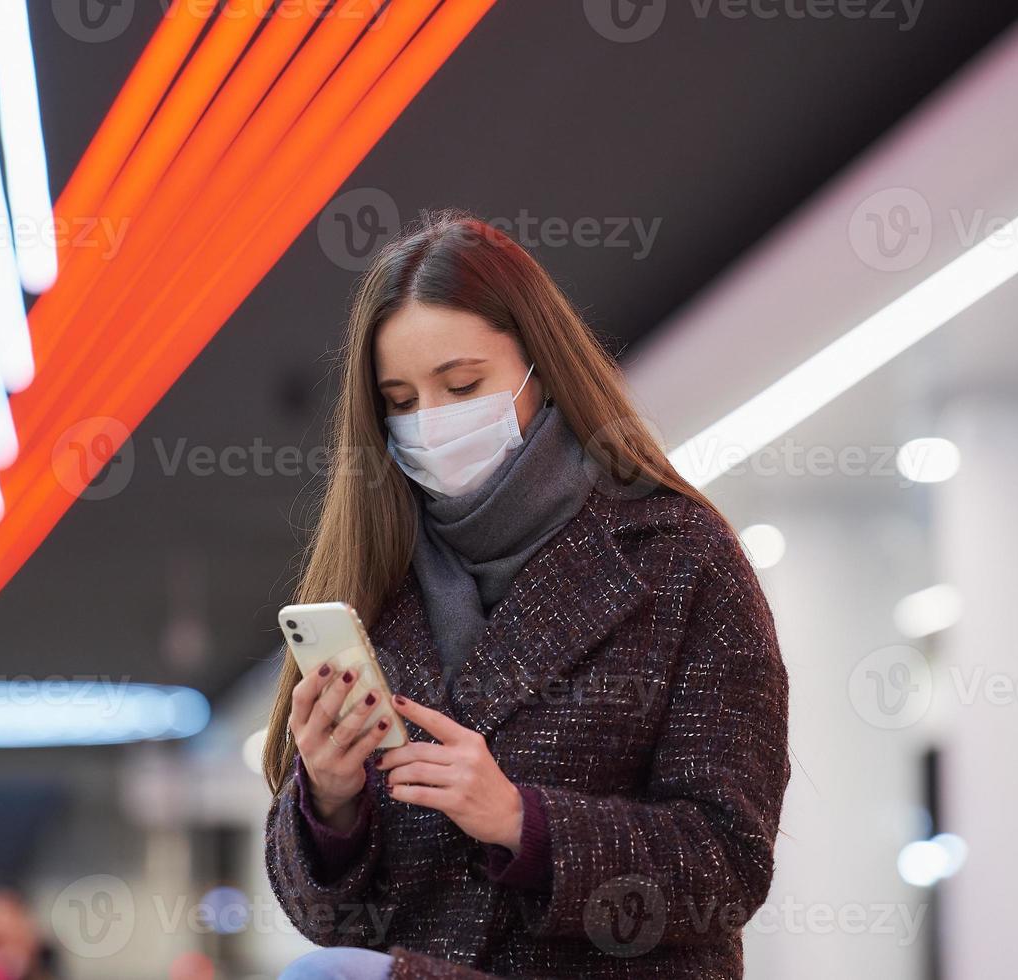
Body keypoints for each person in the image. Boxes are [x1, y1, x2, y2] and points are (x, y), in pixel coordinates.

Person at [262, 210, 790, 979]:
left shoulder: (678, 558)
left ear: (541, 364)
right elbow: (322, 918)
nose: (432, 424)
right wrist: (330, 806)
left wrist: (522, 821)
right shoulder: (371, 574)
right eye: (401, 401)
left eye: (463, 384)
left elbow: (726, 863)